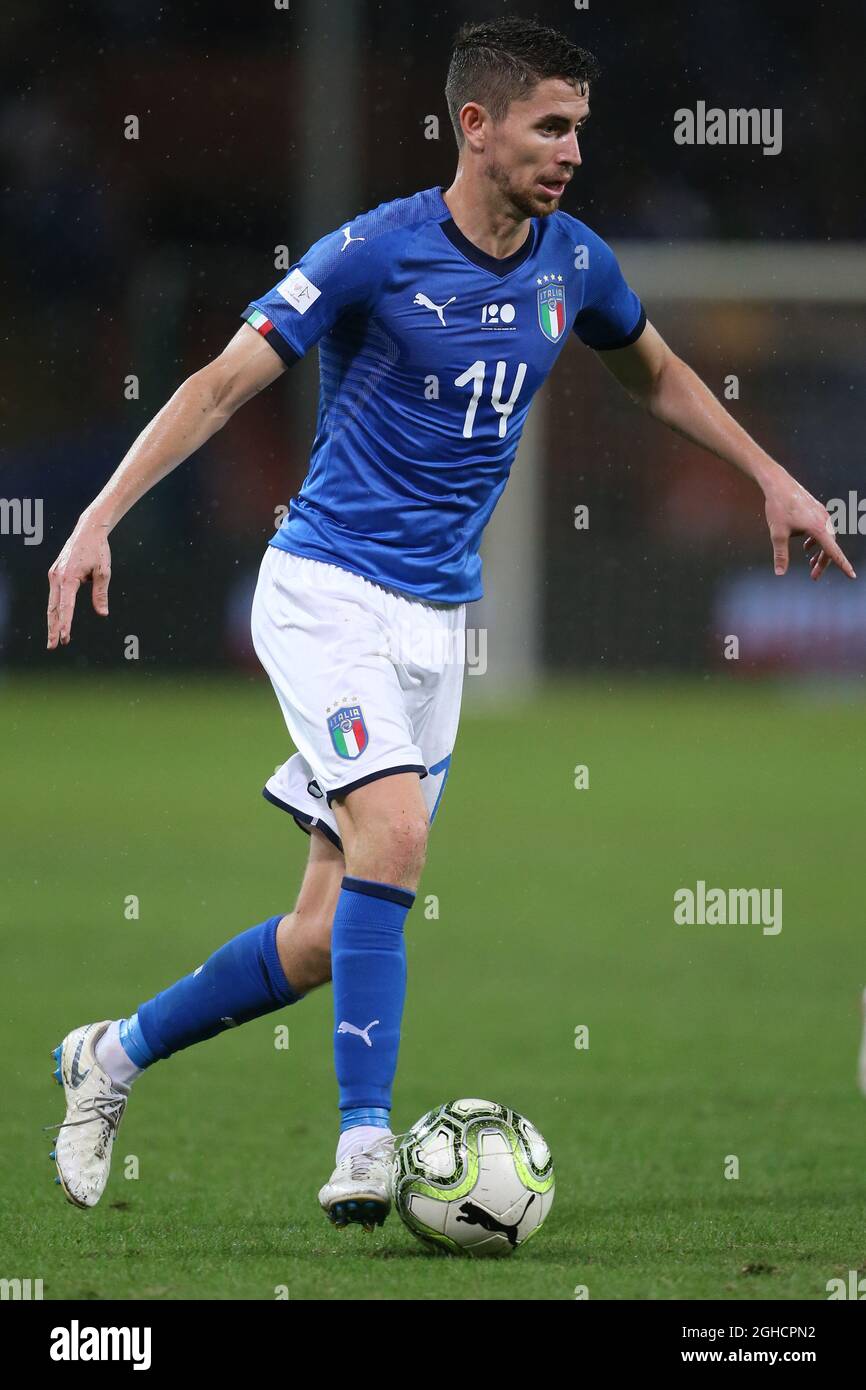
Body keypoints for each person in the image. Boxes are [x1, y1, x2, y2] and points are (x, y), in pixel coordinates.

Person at [45, 16, 854, 1233]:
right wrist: (100, 513)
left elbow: (655, 371)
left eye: (579, 126)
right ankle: (364, 1140)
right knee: (400, 837)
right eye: (548, 125)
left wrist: (770, 476)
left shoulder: (572, 263)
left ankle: (111, 1053)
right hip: (324, 590)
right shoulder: (371, 252)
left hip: (435, 626)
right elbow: (221, 380)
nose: (572, 149)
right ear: (473, 127)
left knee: (322, 937)